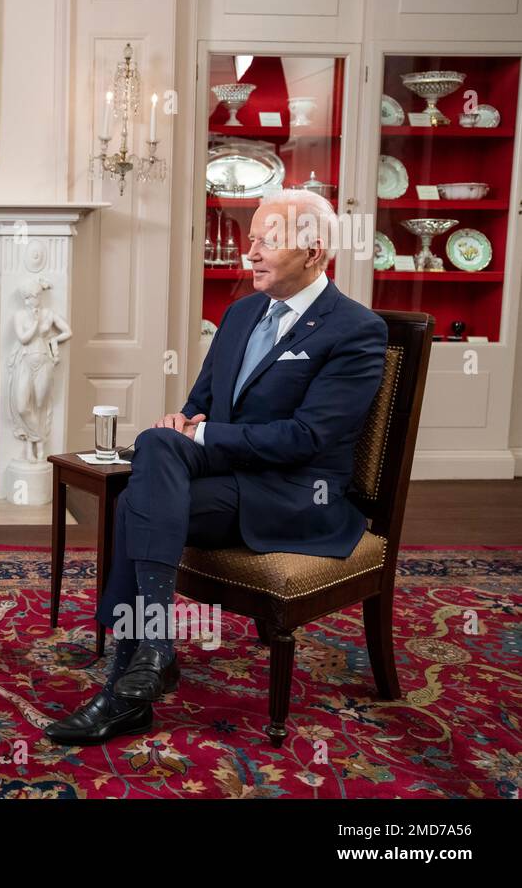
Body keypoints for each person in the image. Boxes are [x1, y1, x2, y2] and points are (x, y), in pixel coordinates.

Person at [45, 189, 388, 746]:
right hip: (231, 480)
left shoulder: (355, 330)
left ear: (314, 252)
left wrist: (198, 433)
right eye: (250, 240)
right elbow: (200, 402)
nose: (249, 253)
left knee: (135, 502)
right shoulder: (241, 313)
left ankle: (133, 673)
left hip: (297, 494)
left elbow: (309, 438)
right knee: (158, 445)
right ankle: (149, 657)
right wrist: (183, 422)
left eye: (266, 242)